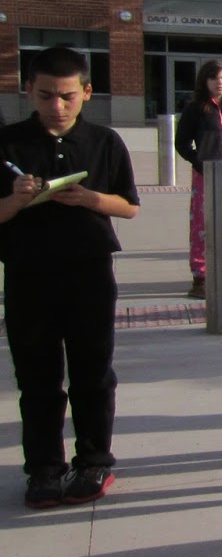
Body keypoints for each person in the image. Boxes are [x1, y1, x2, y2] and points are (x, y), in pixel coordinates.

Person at [2, 46, 139, 508]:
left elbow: (129, 205)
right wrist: (18, 200)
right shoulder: (9, 144)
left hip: (89, 272)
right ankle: (44, 468)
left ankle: (93, 461)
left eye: (66, 97)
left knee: (93, 372)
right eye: (44, 97)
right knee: (37, 378)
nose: (56, 107)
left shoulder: (104, 142)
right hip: (27, 274)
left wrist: (91, 200)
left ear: (86, 92)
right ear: (29, 91)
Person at [174, 58, 222, 300]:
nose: (219, 83)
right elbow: (181, 142)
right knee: (202, 225)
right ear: (204, 81)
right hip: (206, 175)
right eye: (214, 78)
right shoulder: (195, 108)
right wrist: (200, 163)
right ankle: (201, 277)